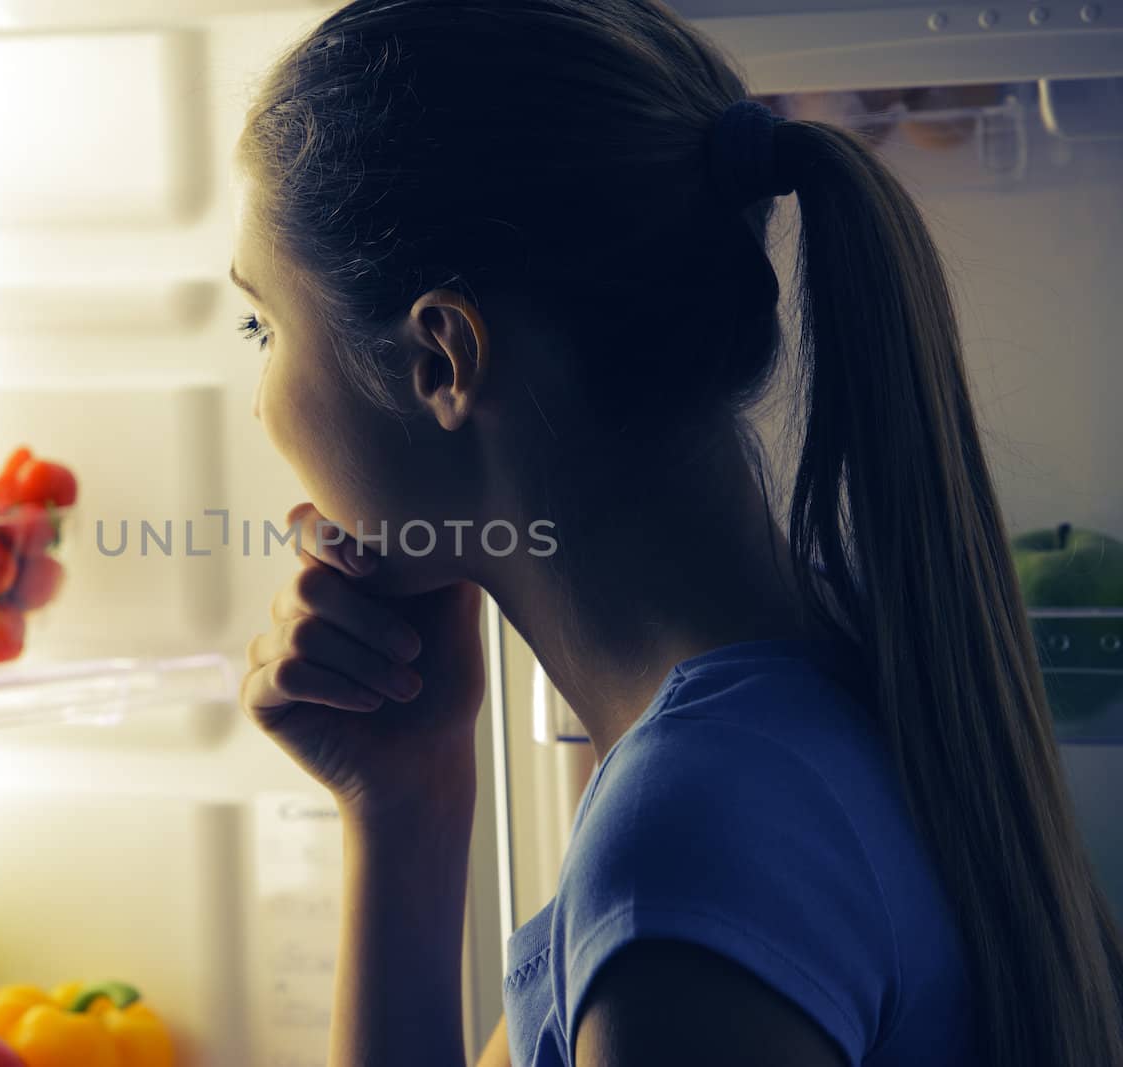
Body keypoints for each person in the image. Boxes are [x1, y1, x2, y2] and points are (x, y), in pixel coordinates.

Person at [231, 1, 1123, 1065]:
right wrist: (404, 797)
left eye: (262, 324)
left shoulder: (689, 839)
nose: (257, 402)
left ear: (440, 360)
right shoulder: (795, 717)